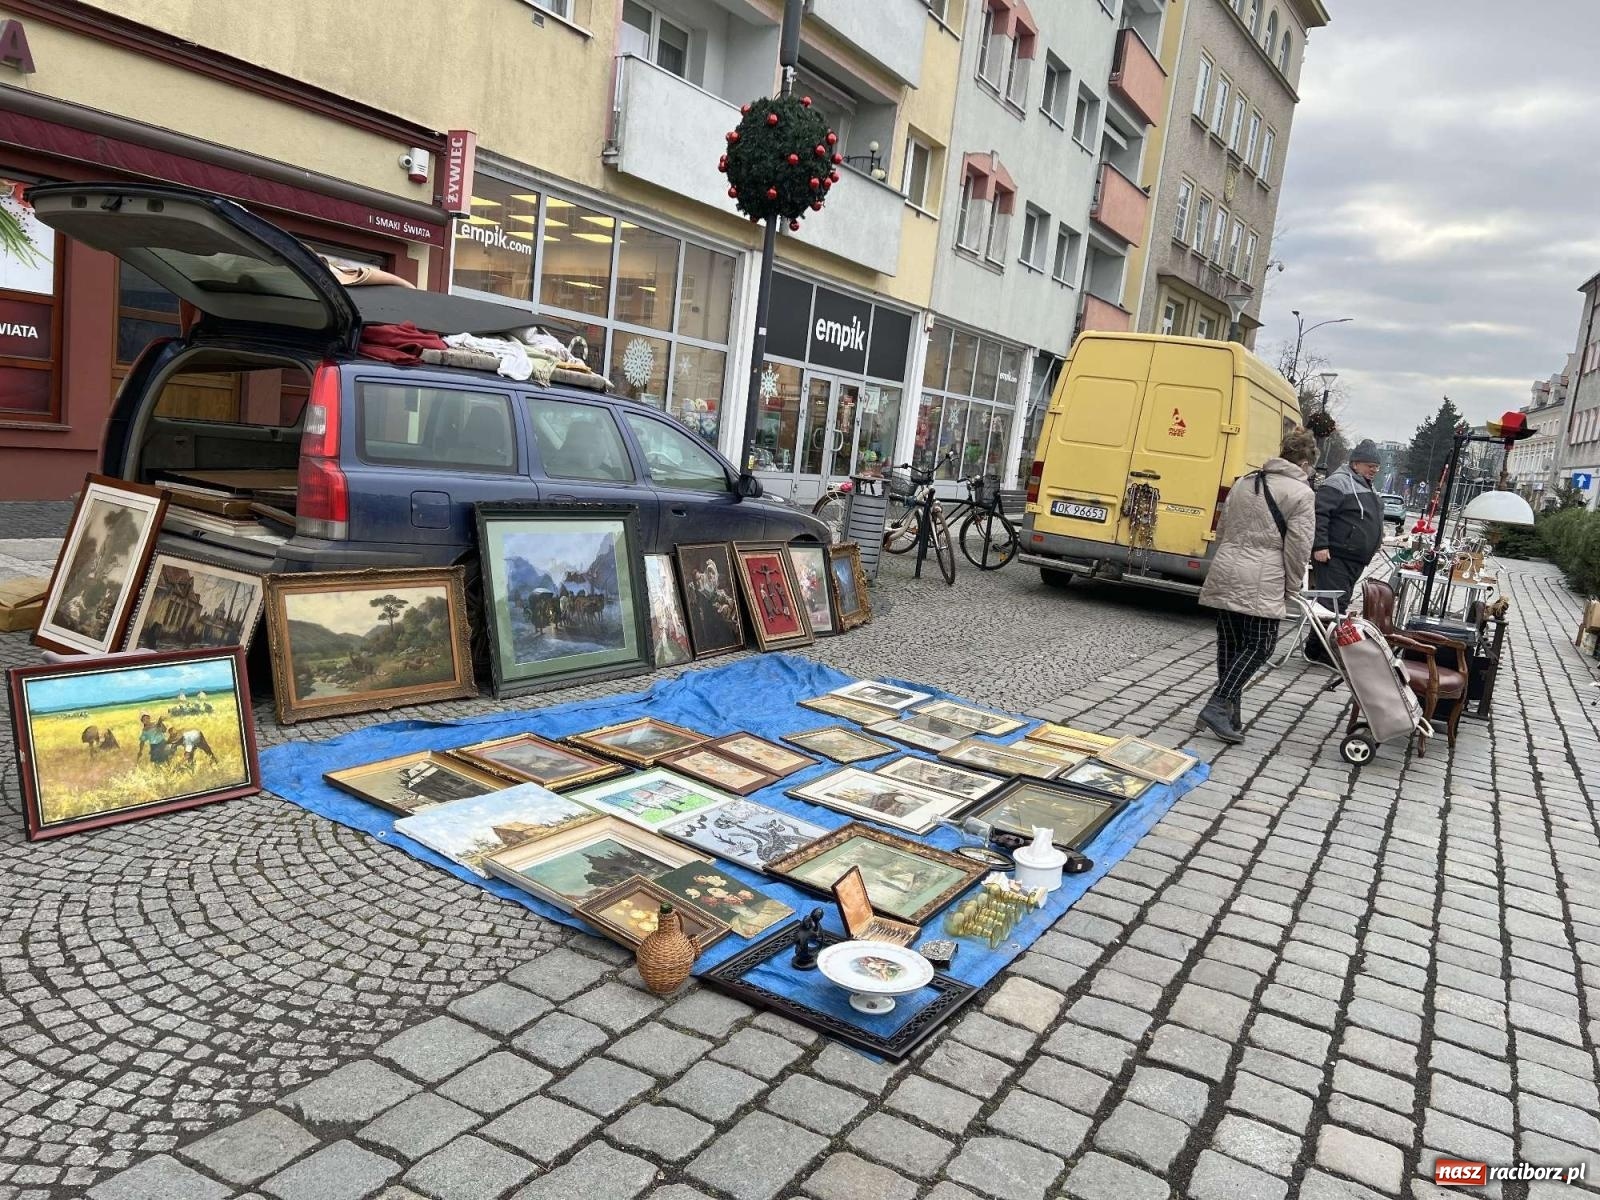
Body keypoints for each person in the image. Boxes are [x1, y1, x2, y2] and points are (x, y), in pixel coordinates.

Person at [1194, 430, 1318, 743]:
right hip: (1264, 576)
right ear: (1304, 462)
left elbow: (1221, 529)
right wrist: (1290, 587)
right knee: (1261, 646)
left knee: (1231, 644)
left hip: (1227, 567)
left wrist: (1225, 561)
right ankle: (1218, 705)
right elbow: (1298, 548)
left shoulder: (1244, 481)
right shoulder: (1302, 494)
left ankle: (1230, 713)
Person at [1312, 439, 1386, 611]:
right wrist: (1320, 545)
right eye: (1370, 465)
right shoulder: (1338, 482)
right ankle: (1319, 638)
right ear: (1355, 463)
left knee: (1339, 604)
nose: (1374, 470)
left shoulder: (1367, 486)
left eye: (1377, 467)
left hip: (1354, 559)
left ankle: (1324, 638)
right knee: (1331, 607)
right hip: (1336, 556)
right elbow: (1319, 514)